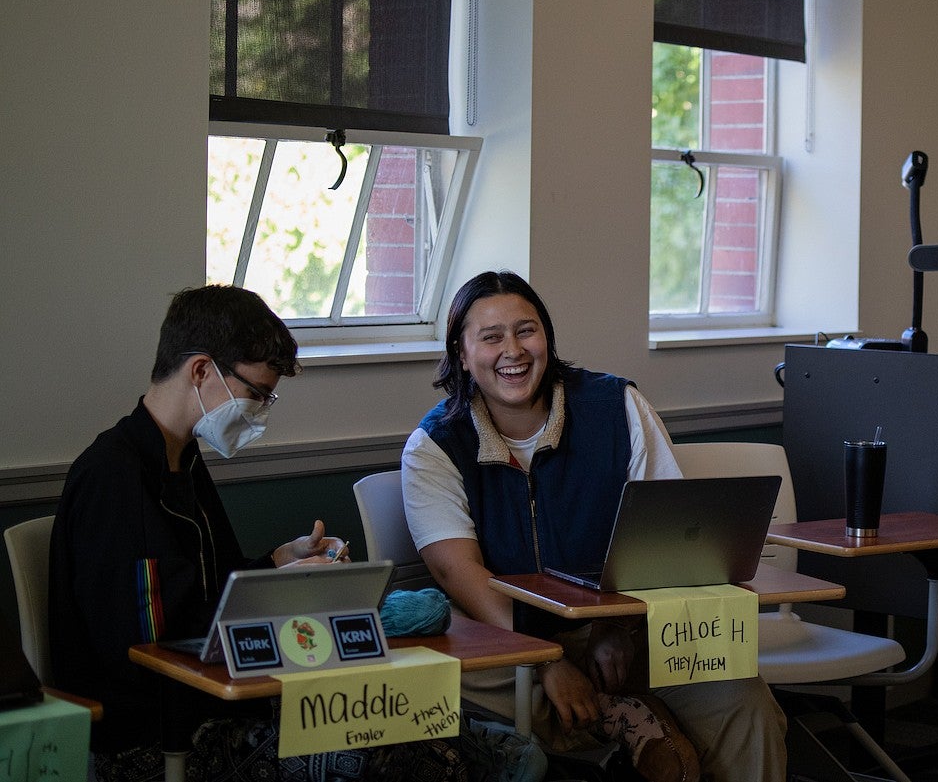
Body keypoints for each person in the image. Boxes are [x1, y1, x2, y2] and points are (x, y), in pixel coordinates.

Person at [50, 285, 470, 782]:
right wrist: (288, 602)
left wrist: (280, 562)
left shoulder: (181, 460)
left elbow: (215, 593)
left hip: (214, 704)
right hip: (151, 738)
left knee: (428, 729)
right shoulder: (115, 480)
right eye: (256, 393)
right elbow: (149, 647)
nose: (261, 410)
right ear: (202, 371)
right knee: (392, 756)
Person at [402, 270, 787, 782]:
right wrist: (545, 660)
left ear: (548, 337)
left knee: (747, 705)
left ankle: (616, 716)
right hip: (511, 644)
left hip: (632, 629)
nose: (512, 350)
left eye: (526, 330)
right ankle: (623, 721)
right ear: (462, 353)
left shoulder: (617, 406)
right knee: (439, 681)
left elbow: (667, 535)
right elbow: (459, 574)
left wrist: (617, 626)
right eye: (490, 337)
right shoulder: (435, 446)